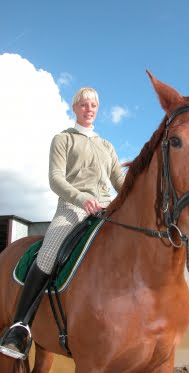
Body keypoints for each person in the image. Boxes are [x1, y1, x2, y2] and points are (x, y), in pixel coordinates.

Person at [0, 87, 125, 360]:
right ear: (75, 108)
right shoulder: (63, 139)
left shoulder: (107, 147)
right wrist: (82, 198)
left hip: (105, 208)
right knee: (46, 255)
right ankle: (19, 326)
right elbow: (56, 179)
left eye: (93, 104)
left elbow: (120, 182)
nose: (88, 108)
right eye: (83, 104)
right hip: (73, 207)